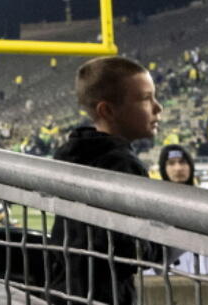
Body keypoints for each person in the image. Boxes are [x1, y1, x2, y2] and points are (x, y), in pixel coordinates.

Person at [47, 57, 163, 305]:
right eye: (145, 98)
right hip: (105, 296)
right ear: (107, 110)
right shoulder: (123, 165)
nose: (158, 107)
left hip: (62, 291)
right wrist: (163, 244)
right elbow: (129, 247)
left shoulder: (70, 155)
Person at [147, 145, 208, 276]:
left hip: (206, 278)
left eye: (182, 162)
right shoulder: (154, 206)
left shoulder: (207, 203)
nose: (178, 168)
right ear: (164, 169)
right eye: (171, 163)